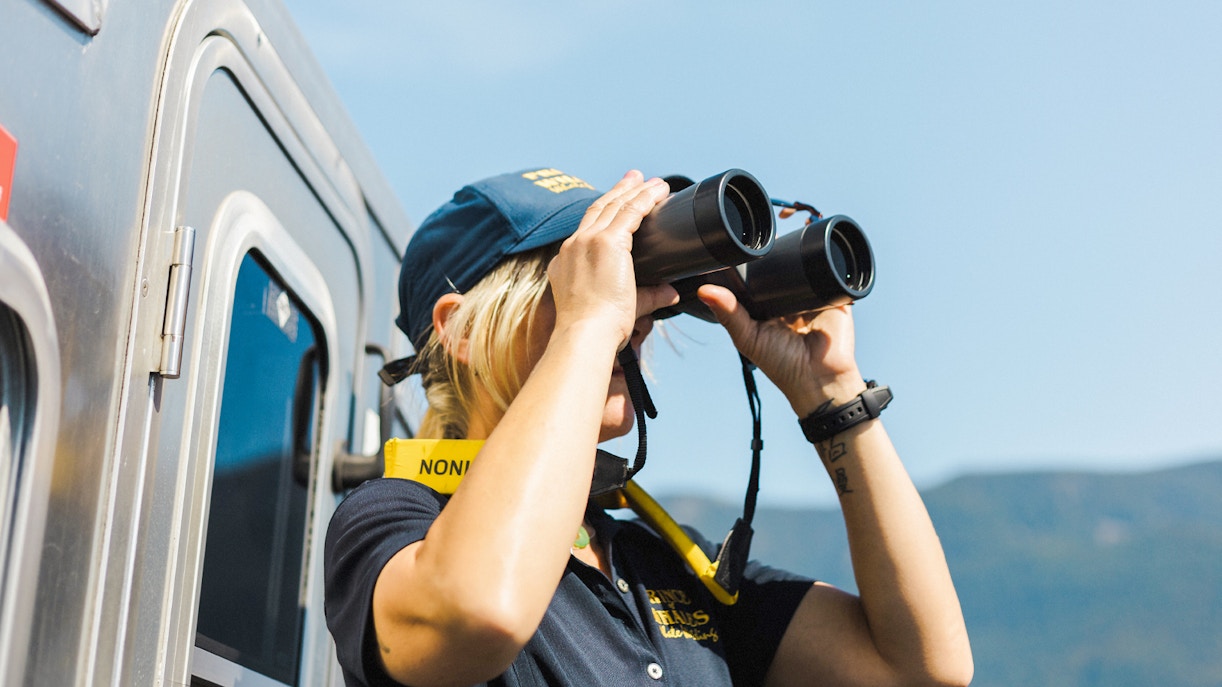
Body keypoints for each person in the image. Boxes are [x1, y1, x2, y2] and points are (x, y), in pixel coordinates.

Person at [324, 167, 973, 687]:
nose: (629, 313)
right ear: (459, 330)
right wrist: (587, 325)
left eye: (633, 284)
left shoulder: (663, 565)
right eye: (576, 279)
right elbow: (478, 611)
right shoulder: (395, 520)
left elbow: (921, 668)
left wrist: (833, 397)